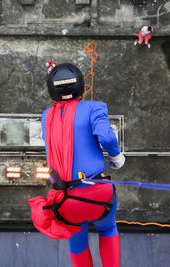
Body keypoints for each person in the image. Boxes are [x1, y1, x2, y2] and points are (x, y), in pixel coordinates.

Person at [28, 63, 125, 267]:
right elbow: (106, 137)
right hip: (98, 195)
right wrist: (116, 158)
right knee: (107, 229)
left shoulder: (47, 116)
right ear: (80, 86)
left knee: (76, 237)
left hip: (67, 199)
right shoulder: (93, 108)